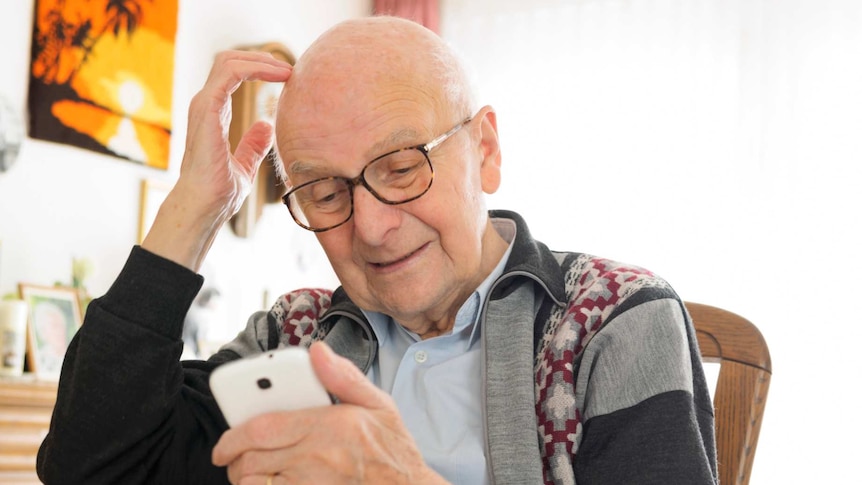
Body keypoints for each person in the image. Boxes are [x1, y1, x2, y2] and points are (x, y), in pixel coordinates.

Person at [36, 16, 717, 485]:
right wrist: (193, 207)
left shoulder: (615, 321)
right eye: (326, 192)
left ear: (484, 150)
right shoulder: (296, 335)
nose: (371, 226)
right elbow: (91, 466)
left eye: (400, 166)